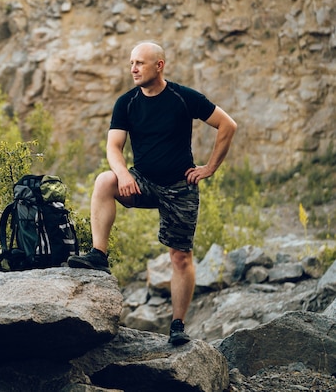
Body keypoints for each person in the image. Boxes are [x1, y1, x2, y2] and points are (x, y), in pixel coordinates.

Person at [68, 41, 237, 346]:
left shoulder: (183, 97)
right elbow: (113, 147)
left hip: (179, 187)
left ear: (159, 65)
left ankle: (177, 325)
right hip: (142, 181)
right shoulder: (127, 103)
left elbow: (227, 125)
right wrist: (122, 174)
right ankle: (98, 255)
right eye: (131, 63)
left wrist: (209, 167)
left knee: (180, 258)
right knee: (105, 181)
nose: (133, 69)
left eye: (140, 63)